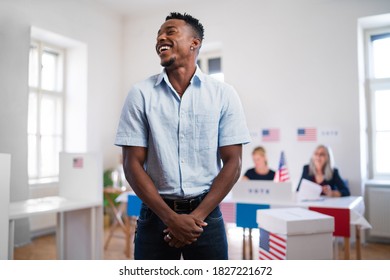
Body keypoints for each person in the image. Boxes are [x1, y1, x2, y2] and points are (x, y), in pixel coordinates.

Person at [114, 12, 250, 260]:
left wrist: (195, 218)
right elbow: (131, 164)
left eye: (170, 31)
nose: (160, 38)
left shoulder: (223, 94)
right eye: (158, 35)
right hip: (155, 218)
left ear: (194, 43)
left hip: (207, 218)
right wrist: (170, 218)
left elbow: (234, 162)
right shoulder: (140, 94)